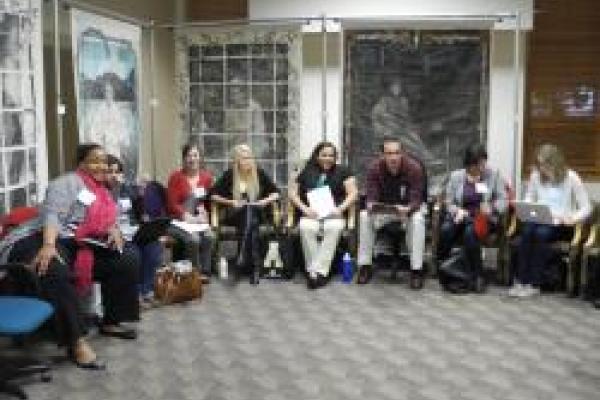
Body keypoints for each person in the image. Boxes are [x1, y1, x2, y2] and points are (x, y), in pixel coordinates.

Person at [0, 143, 141, 369]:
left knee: (126, 257)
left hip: (77, 241)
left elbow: (107, 219)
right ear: (81, 164)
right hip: (40, 237)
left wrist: (113, 229)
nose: (101, 165)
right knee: (54, 269)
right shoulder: (65, 183)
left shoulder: (103, 192)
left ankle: (112, 321)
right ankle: (76, 341)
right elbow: (52, 215)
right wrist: (48, 245)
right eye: (94, 160)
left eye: (104, 161)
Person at [509, 144, 591, 297]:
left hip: (561, 223)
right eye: (540, 165)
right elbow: (530, 197)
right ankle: (520, 280)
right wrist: (526, 205)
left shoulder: (571, 177)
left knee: (541, 233)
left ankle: (534, 283)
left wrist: (572, 218)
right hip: (540, 218)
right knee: (526, 230)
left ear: (555, 163)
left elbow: (586, 207)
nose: (542, 169)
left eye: (545, 165)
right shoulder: (536, 176)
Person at [356, 136, 427, 289]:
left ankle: (416, 270)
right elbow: (371, 193)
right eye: (389, 153)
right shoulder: (374, 168)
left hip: (408, 210)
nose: (393, 157)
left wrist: (409, 209)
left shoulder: (414, 168)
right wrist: (370, 204)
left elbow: (417, 197)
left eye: (396, 152)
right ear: (382, 155)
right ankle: (365, 266)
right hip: (385, 210)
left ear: (403, 153)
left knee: (418, 219)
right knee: (364, 216)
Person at [437, 143, 508, 293]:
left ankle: (478, 275)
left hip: (482, 219)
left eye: (483, 164)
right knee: (446, 229)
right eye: (477, 165)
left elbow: (503, 200)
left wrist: (492, 208)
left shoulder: (493, 175)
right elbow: (448, 201)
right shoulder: (457, 176)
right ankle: (445, 267)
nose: (481, 168)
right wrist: (457, 210)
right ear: (469, 165)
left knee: (471, 233)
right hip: (461, 217)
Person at [289, 141, 358, 289]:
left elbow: (353, 194)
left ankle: (316, 273)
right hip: (311, 214)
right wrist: (305, 209)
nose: (328, 158)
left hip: (334, 214)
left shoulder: (343, 171)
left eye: (331, 155)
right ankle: (319, 274)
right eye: (324, 155)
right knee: (306, 227)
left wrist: (340, 209)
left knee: (333, 228)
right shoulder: (306, 171)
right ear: (317, 156)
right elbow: (292, 194)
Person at [211, 144, 280, 284]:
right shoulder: (230, 174)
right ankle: (255, 267)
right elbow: (213, 195)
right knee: (248, 215)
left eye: (249, 157)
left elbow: (276, 193)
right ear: (237, 160)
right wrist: (231, 202)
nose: (247, 161)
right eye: (243, 158)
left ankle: (241, 260)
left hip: (256, 213)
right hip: (235, 214)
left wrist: (265, 201)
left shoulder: (259, 173)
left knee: (250, 214)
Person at [105, 155, 163, 308]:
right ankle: (135, 294)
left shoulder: (127, 190)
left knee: (154, 246)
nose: (114, 176)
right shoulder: (101, 192)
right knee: (135, 253)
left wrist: (141, 193)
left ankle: (147, 291)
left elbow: (140, 212)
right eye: (110, 172)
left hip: (132, 230)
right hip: (114, 234)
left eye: (117, 172)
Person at [166, 141, 214, 278]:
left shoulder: (206, 178)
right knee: (194, 239)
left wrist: (205, 213)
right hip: (177, 221)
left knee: (210, 236)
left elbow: (207, 201)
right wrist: (188, 217)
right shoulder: (175, 177)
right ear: (184, 159)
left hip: (197, 221)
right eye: (188, 156)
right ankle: (194, 274)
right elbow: (171, 205)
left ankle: (205, 272)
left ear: (200, 157)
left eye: (195, 155)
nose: (192, 159)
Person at [371, 78, 435, 165]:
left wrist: (407, 126)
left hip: (402, 128)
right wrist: (389, 126)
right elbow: (378, 116)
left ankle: (428, 158)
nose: (397, 90)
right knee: (409, 143)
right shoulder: (384, 101)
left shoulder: (403, 101)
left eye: (398, 88)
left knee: (416, 138)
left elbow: (405, 117)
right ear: (390, 89)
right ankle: (424, 160)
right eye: (394, 87)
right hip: (391, 131)